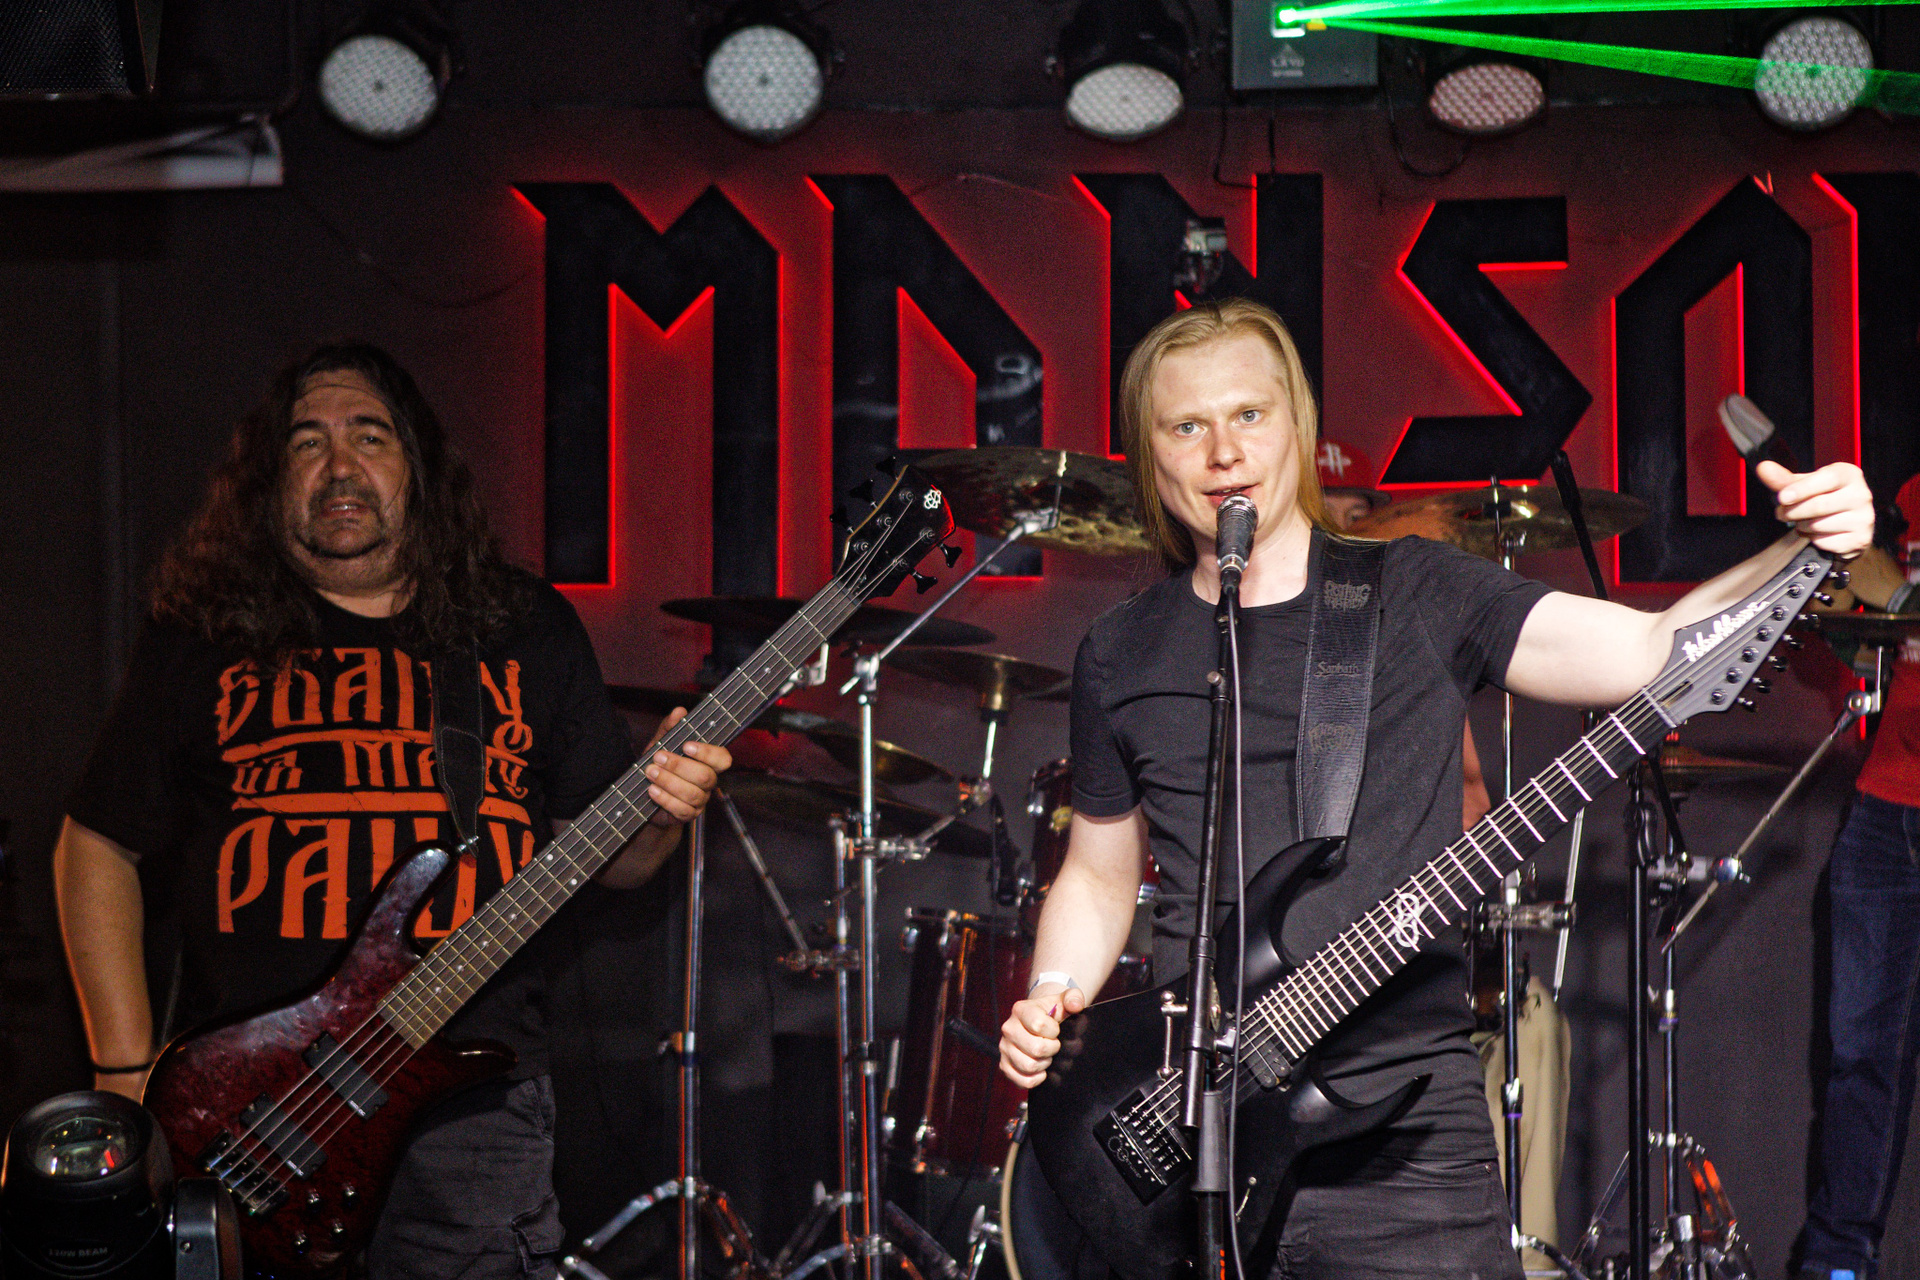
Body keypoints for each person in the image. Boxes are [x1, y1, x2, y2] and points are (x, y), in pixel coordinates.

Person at [997, 298, 1872, 1279]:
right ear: (1149, 455)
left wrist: (1805, 549)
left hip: (1404, 1147)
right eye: (1187, 426)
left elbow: (1648, 648)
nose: (1224, 452)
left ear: (1299, 424)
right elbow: (1099, 872)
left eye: (1248, 414)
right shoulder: (1120, 649)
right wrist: (1053, 993)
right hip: (1188, 1129)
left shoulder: (1414, 590)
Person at [54, 342, 731, 1278]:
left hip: (472, 1102)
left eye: (369, 437)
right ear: (268, 484)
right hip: (250, 1110)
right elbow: (96, 844)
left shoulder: (520, 625)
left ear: (419, 468)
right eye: (307, 443)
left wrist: (660, 810)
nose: (340, 466)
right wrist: (123, 1071)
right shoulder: (203, 633)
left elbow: (609, 858)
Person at [1796, 473, 1920, 1280]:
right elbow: (1884, 644)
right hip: (1888, 802)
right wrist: (1850, 618)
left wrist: (1901, 600)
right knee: (1859, 1054)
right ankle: (1839, 1261)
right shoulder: (1913, 492)